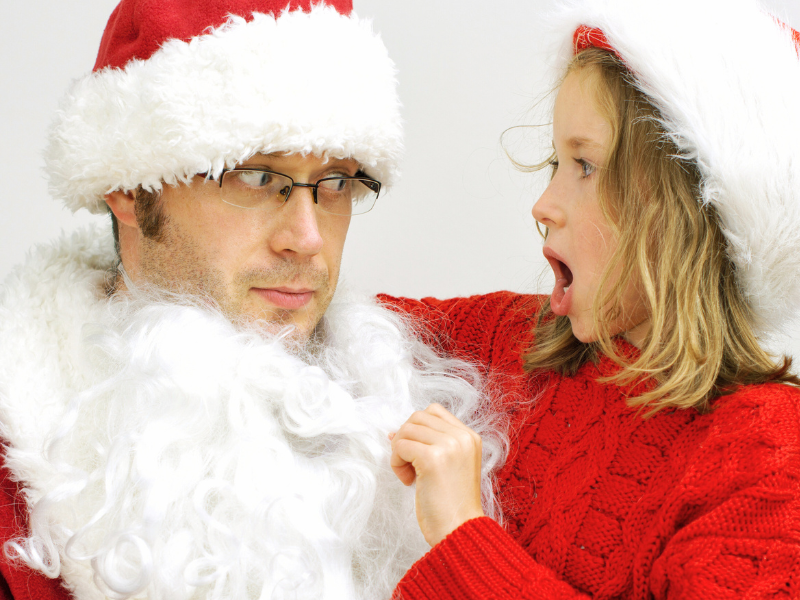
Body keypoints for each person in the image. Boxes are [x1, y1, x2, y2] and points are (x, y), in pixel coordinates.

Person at [0, 1, 507, 599]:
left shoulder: (414, 366)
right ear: (130, 189)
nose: (308, 239)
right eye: (258, 178)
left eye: (337, 183)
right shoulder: (16, 466)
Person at [384, 0, 800, 597]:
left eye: (584, 165)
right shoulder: (508, 341)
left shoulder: (767, 457)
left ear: (681, 214)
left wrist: (462, 534)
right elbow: (316, 325)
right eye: (556, 161)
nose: (543, 204)